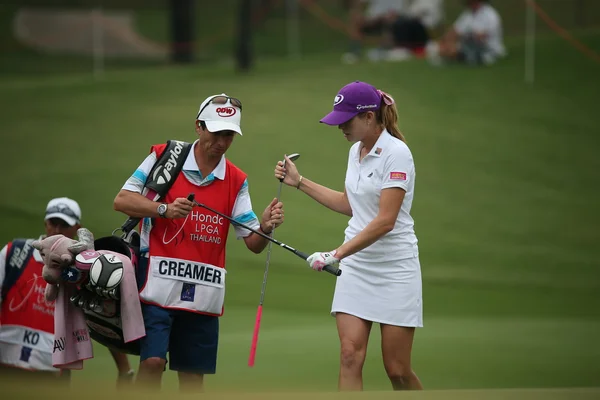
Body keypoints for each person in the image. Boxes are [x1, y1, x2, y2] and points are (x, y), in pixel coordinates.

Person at [113, 93, 285, 392]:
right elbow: (122, 200)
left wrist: (267, 226)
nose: (221, 141)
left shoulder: (235, 179)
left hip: (203, 293)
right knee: (152, 363)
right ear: (199, 127)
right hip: (156, 285)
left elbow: (253, 243)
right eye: (216, 132)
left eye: (229, 134)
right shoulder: (164, 156)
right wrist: (163, 209)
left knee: (192, 379)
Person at [274, 81, 423, 391]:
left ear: (369, 117)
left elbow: (385, 221)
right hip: (357, 267)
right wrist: (299, 182)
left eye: (346, 120)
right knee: (349, 356)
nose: (340, 126)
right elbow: (350, 204)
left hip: (395, 267)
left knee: (397, 370)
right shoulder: (356, 151)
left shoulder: (397, 153)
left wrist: (336, 253)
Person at [0, 197, 134, 385]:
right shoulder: (14, 253)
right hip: (6, 363)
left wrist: (124, 370)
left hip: (53, 371)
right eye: (53, 223)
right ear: (45, 223)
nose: (57, 230)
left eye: (64, 224)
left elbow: (101, 318)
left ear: (77, 227)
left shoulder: (83, 268)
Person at [429, 0, 506, 66]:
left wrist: (465, 36)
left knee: (455, 49)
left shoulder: (490, 14)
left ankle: (479, 57)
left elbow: (483, 36)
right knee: (448, 47)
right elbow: (455, 30)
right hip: (469, 43)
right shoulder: (468, 14)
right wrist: (444, 41)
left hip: (488, 46)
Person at [342, 0, 408, 63]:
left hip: (386, 19)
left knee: (389, 21)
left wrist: (378, 18)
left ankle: (385, 50)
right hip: (372, 19)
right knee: (356, 21)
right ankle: (355, 52)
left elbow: (395, 13)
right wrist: (358, 13)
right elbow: (360, 3)